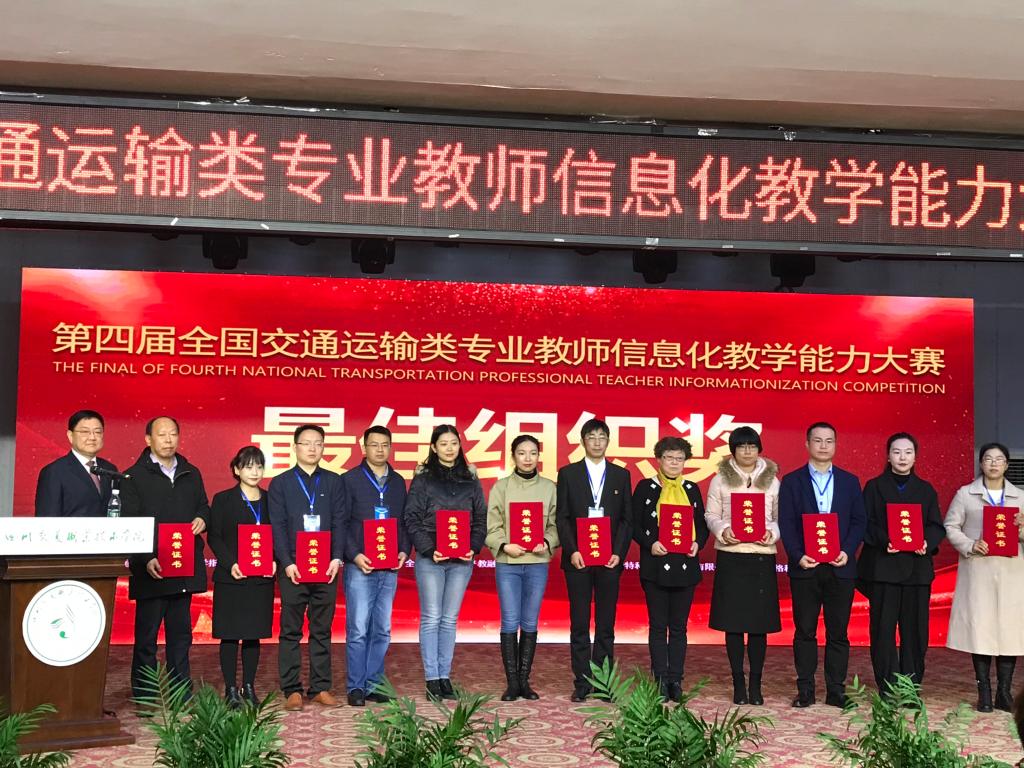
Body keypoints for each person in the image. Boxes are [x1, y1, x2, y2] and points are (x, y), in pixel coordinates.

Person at [121, 416, 210, 701]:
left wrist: (202, 519)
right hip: (152, 569)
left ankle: (180, 692)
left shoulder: (191, 472)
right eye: (162, 435)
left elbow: (203, 506)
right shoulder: (132, 477)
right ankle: (146, 695)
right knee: (147, 638)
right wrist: (145, 557)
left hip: (182, 567)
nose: (169, 440)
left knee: (180, 636)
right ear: (148, 439)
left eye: (173, 434)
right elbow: (129, 523)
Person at [778, 421, 866, 708]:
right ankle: (805, 689)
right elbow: (786, 523)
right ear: (807, 444)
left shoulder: (850, 481)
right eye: (818, 440)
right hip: (806, 566)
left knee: (838, 632)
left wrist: (847, 551)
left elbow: (859, 521)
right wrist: (797, 555)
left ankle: (836, 690)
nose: (823, 446)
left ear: (836, 445)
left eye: (829, 441)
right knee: (805, 631)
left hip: (841, 567)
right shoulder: (792, 481)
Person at [403, 424, 487, 700]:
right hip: (431, 559)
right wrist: (429, 549)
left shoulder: (470, 479)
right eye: (444, 444)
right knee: (431, 618)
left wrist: (473, 547)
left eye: (454, 443)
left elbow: (480, 518)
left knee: (449, 619)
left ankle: (445, 677)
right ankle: (432, 678)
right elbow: (411, 518)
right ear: (433, 447)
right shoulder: (423, 479)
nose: (450, 449)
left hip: (461, 560)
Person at [856, 432, 944, 695]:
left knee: (915, 632)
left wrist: (926, 541)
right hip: (884, 569)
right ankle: (887, 687)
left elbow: (936, 525)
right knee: (883, 631)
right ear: (888, 456)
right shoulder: (874, 487)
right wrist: (885, 540)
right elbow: (865, 522)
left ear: (915, 457)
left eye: (908, 452)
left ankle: (911, 688)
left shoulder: (926, 489)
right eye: (896, 452)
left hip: (917, 571)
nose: (902, 457)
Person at [268, 424, 347, 711]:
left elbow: (340, 521)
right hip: (293, 568)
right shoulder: (281, 483)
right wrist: (286, 562)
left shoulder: (334, 482)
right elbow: (277, 526)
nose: (313, 448)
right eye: (306, 443)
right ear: (295, 447)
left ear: (324, 447)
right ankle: (292, 689)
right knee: (290, 630)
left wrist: (336, 557)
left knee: (322, 629)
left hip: (326, 567)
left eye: (318, 443)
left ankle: (320, 687)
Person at [555, 418, 633, 702]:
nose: (597, 442)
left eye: (602, 437)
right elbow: (562, 517)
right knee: (579, 623)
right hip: (578, 560)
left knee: (605, 624)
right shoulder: (568, 473)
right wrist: (572, 550)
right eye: (592, 437)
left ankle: (603, 682)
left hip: (609, 559)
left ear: (608, 441)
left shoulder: (621, 475)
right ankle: (581, 682)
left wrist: (618, 553)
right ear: (582, 441)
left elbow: (627, 520)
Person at [945, 442, 1024, 713]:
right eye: (988, 458)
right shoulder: (966, 494)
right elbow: (951, 526)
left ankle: (1004, 692)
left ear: (1007, 465)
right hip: (979, 571)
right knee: (980, 631)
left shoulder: (1019, 497)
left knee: (1010, 632)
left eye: (999, 459)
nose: (993, 463)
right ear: (981, 463)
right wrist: (970, 544)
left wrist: (1021, 529)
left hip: (1012, 573)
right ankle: (985, 692)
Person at [704, 426, 781, 706]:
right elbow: (710, 514)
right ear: (733, 450)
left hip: (761, 555)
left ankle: (756, 684)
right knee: (733, 624)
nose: (747, 451)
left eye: (752, 446)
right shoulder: (719, 480)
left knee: (759, 625)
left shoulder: (772, 480)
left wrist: (771, 533)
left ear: (759, 449)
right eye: (741, 446)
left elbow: (779, 517)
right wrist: (722, 529)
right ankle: (738, 682)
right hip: (731, 555)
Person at [633, 436, 708, 703]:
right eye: (669, 458)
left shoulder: (691, 488)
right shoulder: (646, 487)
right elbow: (633, 524)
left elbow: (702, 525)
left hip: (685, 566)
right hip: (655, 566)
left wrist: (698, 543)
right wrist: (650, 544)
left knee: (679, 627)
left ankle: (676, 679)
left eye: (679, 459)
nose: (674, 463)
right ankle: (660, 680)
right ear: (659, 459)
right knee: (657, 626)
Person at [485, 434, 559, 701]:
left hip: (537, 562)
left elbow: (555, 525)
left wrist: (547, 542)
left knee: (529, 621)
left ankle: (524, 681)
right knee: (509, 619)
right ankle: (512, 683)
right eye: (521, 453)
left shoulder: (550, 488)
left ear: (539, 456)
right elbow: (492, 526)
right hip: (509, 563)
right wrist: (504, 545)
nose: (527, 458)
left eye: (533, 453)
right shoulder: (501, 487)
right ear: (513, 456)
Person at [341, 426, 410, 707]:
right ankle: (356, 686)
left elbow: (404, 521)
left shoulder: (398, 481)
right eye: (374, 445)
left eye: (385, 445)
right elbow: (342, 523)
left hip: (389, 566)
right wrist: (354, 555)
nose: (380, 450)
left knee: (382, 629)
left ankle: (374, 683)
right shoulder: (349, 480)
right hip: (360, 565)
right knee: (358, 629)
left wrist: (404, 550)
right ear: (363, 447)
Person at [207, 446, 276, 708]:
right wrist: (230, 563)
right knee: (229, 634)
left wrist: (275, 560)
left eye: (259, 466)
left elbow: (279, 534)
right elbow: (215, 537)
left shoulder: (271, 500)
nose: (254, 472)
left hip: (260, 578)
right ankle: (231, 688)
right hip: (232, 578)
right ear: (237, 470)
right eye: (248, 466)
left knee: (252, 634)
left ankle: (248, 686)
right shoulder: (223, 499)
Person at [35, 410, 118, 517]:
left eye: (97, 432)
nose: (92, 437)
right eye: (85, 432)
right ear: (70, 435)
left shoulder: (110, 469)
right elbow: (48, 516)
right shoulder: (54, 472)